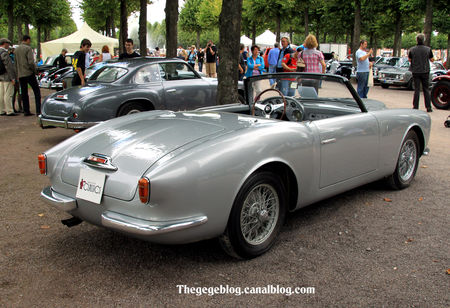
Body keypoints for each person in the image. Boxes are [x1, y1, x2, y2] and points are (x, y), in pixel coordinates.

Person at [15, 35, 40, 116]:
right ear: (28, 40)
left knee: (24, 93)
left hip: (21, 74)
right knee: (36, 92)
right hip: (29, 73)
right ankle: (38, 110)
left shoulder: (16, 49)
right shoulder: (28, 48)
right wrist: (35, 70)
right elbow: (31, 62)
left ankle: (26, 110)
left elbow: (15, 63)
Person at [408, 33, 434, 112]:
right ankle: (428, 107)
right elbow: (432, 59)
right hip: (425, 70)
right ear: (424, 40)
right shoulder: (428, 49)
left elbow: (409, 59)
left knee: (417, 89)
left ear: (416, 40)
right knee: (426, 89)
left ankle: (415, 106)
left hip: (415, 71)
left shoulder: (412, 49)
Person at [0, 38, 17, 116]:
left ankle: (1, 110)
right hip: (6, 76)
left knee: (1, 94)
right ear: (4, 43)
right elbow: (8, 66)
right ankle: (9, 110)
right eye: (8, 43)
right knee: (8, 93)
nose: (8, 45)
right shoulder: (4, 53)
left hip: (0, 76)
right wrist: (12, 78)